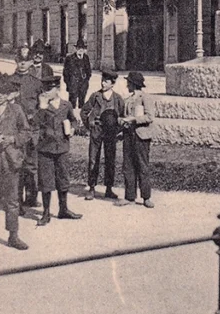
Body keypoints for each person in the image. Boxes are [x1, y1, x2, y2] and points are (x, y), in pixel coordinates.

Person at [32, 73, 82, 225]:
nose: (45, 92)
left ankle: (63, 209)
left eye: (49, 89)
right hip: (45, 148)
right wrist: (42, 107)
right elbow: (34, 123)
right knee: (45, 181)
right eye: (45, 89)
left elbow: (73, 120)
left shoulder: (66, 105)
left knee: (63, 179)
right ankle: (46, 213)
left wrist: (72, 129)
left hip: (61, 147)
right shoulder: (41, 106)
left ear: (57, 89)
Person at [0, 72, 30, 250]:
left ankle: (13, 235)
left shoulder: (16, 110)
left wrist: (11, 139)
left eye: (2, 92)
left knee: (12, 200)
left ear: (8, 93)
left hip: (10, 161)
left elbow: (26, 133)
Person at [81, 70, 125, 201]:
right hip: (97, 130)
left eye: (106, 81)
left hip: (110, 132)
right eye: (102, 80)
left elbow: (122, 116)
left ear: (112, 84)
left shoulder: (117, 99)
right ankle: (92, 187)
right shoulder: (95, 96)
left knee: (110, 159)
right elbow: (84, 111)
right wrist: (90, 125)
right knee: (93, 159)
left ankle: (109, 188)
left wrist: (117, 130)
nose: (103, 83)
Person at [116, 72, 154, 209]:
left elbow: (149, 117)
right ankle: (130, 196)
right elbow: (123, 116)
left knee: (142, 166)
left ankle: (146, 197)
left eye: (129, 83)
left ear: (134, 84)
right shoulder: (128, 99)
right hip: (128, 135)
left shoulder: (145, 98)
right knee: (128, 166)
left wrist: (134, 120)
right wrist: (121, 121)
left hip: (141, 136)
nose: (127, 85)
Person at [13, 51, 44, 211]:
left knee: (32, 164)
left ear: (31, 62)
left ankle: (31, 198)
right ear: (16, 61)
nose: (22, 64)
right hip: (15, 131)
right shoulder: (9, 81)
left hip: (32, 130)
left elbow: (42, 106)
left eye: (26, 61)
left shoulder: (36, 83)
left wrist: (35, 117)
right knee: (16, 164)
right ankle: (16, 201)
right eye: (20, 60)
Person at [62, 40, 92, 110]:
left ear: (84, 49)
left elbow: (89, 71)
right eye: (79, 48)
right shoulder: (70, 58)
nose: (80, 50)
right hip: (73, 85)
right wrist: (69, 84)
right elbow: (65, 73)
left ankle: (81, 118)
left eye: (82, 48)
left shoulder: (86, 58)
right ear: (76, 49)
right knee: (72, 104)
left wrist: (86, 81)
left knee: (82, 104)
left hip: (83, 85)